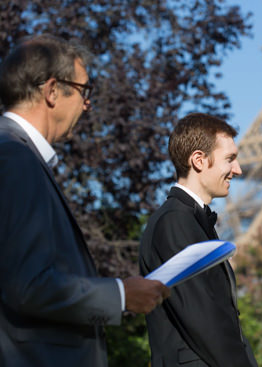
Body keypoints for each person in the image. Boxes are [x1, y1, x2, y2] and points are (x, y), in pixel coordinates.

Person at [0, 34, 170, 367]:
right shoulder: (16, 158)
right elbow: (27, 285)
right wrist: (121, 295)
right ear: (51, 91)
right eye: (83, 91)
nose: (87, 104)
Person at [139, 113, 258, 367]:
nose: (238, 170)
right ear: (199, 160)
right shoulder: (175, 221)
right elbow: (203, 318)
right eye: (230, 159)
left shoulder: (190, 220)